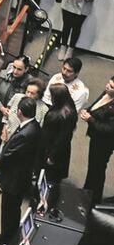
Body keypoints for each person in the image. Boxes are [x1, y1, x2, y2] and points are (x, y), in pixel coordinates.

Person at [0, 98, 40, 245]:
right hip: (21, 176)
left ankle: (6, 243)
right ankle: (6, 238)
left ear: (19, 112)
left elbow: (11, 154)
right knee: (12, 212)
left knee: (9, 213)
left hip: (14, 180)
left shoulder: (25, 133)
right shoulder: (34, 126)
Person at [35, 83, 77, 221]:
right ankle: (42, 202)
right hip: (48, 148)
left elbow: (62, 139)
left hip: (54, 152)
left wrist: (52, 156)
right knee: (46, 178)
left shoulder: (66, 114)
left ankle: (49, 206)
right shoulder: (66, 106)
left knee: (52, 181)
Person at [82, 76, 114, 202]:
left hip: (105, 142)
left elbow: (108, 129)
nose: (107, 87)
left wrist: (90, 119)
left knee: (98, 170)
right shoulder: (107, 93)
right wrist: (88, 110)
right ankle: (88, 190)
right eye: (108, 83)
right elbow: (97, 105)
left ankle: (94, 198)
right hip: (96, 138)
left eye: (112, 87)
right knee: (92, 168)